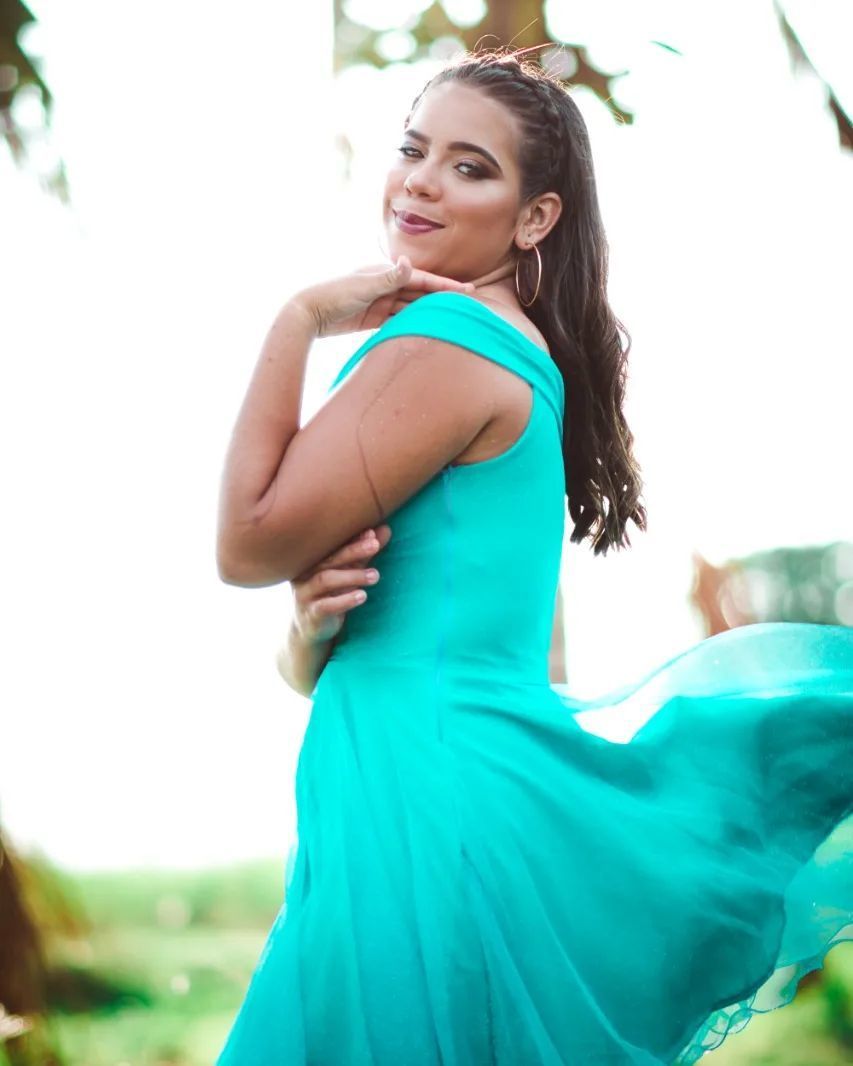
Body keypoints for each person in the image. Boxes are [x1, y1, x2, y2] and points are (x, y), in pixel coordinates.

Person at [214, 48, 853, 1066]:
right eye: (413, 149)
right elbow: (407, 654)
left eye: (470, 167)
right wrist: (304, 638)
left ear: (534, 217)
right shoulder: (512, 349)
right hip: (414, 792)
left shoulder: (450, 341)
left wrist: (299, 319)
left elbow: (246, 542)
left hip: (419, 814)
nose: (422, 181)